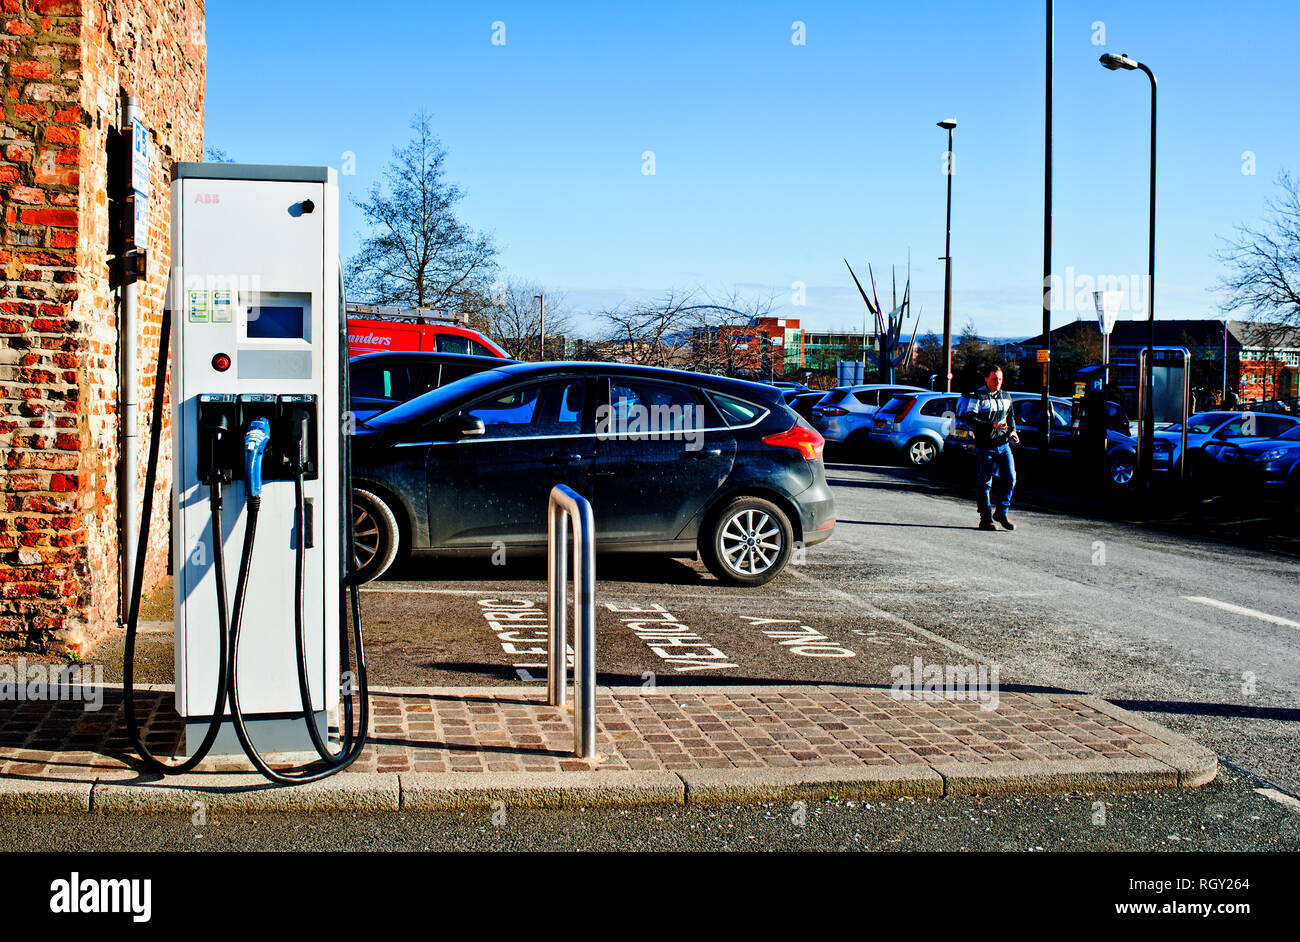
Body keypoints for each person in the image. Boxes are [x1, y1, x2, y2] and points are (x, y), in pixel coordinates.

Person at [962, 365, 1018, 531]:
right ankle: (985, 518)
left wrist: (1012, 432)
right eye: (994, 379)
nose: (997, 382)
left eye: (1000, 379)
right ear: (986, 379)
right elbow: (970, 419)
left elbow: (1010, 417)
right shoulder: (978, 396)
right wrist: (991, 425)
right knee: (985, 482)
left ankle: (1001, 512)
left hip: (1003, 445)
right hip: (985, 446)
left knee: (1010, 478)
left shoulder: (1007, 396)